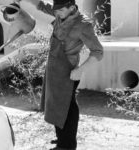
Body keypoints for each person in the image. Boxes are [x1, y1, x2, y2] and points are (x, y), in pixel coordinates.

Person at [14, 0, 104, 149]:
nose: (57, 13)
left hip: (68, 70)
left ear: (72, 8)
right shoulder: (60, 13)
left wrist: (80, 70)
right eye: (56, 11)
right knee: (56, 105)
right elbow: (41, 5)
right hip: (54, 67)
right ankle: (62, 139)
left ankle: (67, 144)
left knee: (67, 108)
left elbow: (98, 51)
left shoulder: (83, 25)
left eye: (61, 10)